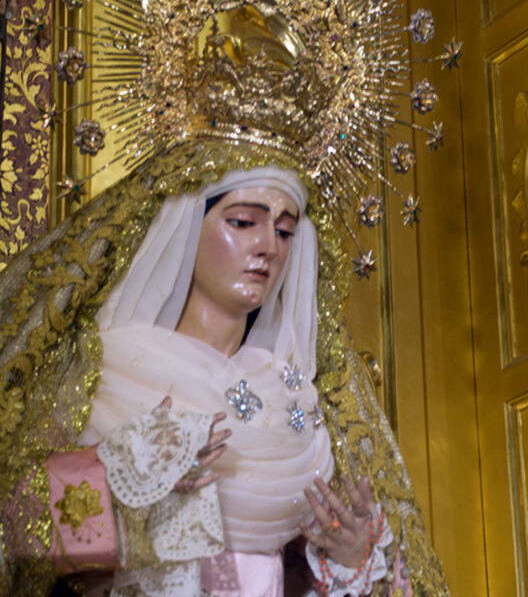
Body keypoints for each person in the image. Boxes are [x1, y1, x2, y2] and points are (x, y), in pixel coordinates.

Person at [0, 140, 450, 597]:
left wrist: (350, 559)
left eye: (284, 231)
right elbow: (14, 526)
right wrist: (124, 476)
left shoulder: (296, 400)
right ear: (188, 222)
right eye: (243, 222)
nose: (268, 247)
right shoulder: (99, 368)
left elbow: (299, 576)